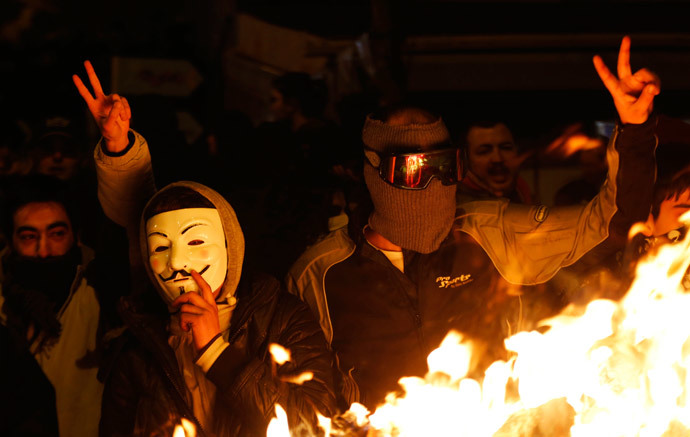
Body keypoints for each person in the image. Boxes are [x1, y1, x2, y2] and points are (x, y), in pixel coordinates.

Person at [285, 35, 660, 409]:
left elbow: (611, 225)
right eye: (412, 169)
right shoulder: (320, 273)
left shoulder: (490, 232)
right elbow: (305, 393)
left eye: (444, 167)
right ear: (373, 170)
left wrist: (634, 129)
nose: (431, 184)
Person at [73, 61, 339, 436]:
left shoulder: (280, 321)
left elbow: (316, 424)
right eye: (159, 247)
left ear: (230, 246)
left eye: (196, 242)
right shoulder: (141, 342)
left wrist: (216, 351)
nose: (177, 263)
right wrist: (119, 149)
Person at [0, 174, 123, 437]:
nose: (43, 251)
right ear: (10, 242)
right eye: (28, 237)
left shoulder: (99, 294)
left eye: (56, 234)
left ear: (76, 236)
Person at [457, 120, 534, 204]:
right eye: (484, 151)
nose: (497, 159)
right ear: (466, 159)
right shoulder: (455, 201)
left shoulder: (521, 189)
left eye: (506, 148)